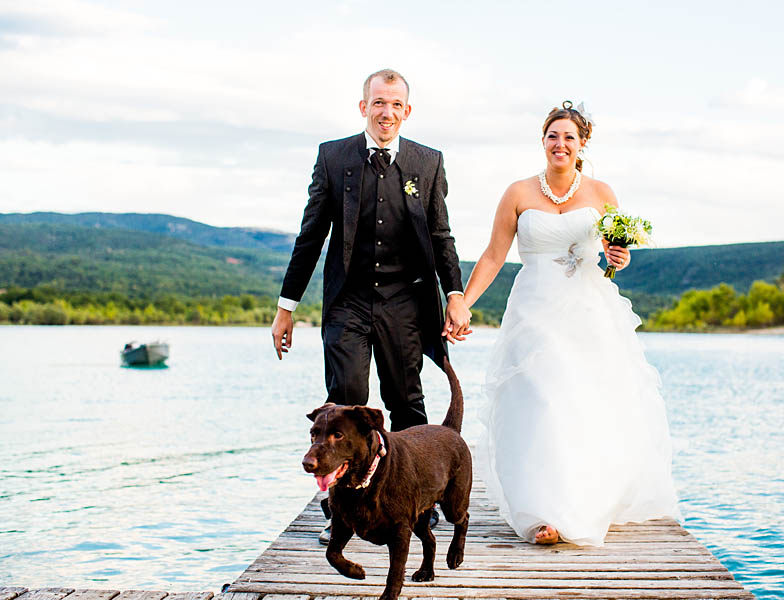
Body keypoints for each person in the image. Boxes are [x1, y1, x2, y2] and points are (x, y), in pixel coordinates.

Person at [461, 101, 680, 545]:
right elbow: (492, 255)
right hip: (533, 309)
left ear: (582, 145)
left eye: (569, 137)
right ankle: (541, 512)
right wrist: (463, 303)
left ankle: (580, 502)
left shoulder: (601, 193)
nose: (560, 144)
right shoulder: (518, 193)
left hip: (586, 308)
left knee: (581, 402)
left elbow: (618, 252)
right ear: (543, 141)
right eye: (552, 136)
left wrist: (620, 256)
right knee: (538, 400)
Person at [271, 69, 471, 541]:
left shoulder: (428, 162)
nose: (387, 112)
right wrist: (287, 307)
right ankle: (340, 509)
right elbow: (311, 236)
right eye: (378, 103)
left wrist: (456, 295)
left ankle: (418, 502)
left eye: (396, 104)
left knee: (406, 401)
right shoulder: (333, 156)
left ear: (407, 110)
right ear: (364, 107)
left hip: (405, 301)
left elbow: (442, 235)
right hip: (349, 301)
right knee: (345, 400)